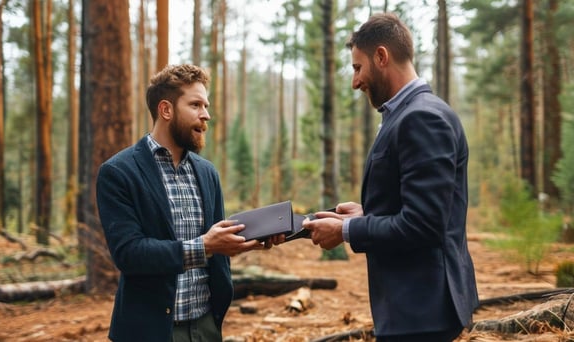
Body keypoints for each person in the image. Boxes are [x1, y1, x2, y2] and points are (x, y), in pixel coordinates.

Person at [302, 13, 479, 342]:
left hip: (421, 310)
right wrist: (366, 214)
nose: (355, 82)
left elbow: (424, 224)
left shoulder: (422, 117)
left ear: (381, 56)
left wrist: (345, 229)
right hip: (411, 308)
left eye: (357, 68)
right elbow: (412, 207)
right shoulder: (407, 115)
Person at [96, 64, 275, 342]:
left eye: (206, 105)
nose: (207, 115)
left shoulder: (207, 172)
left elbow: (216, 244)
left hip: (206, 327)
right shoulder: (119, 172)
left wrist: (244, 241)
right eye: (196, 105)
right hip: (150, 331)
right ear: (166, 110)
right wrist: (205, 246)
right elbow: (128, 254)